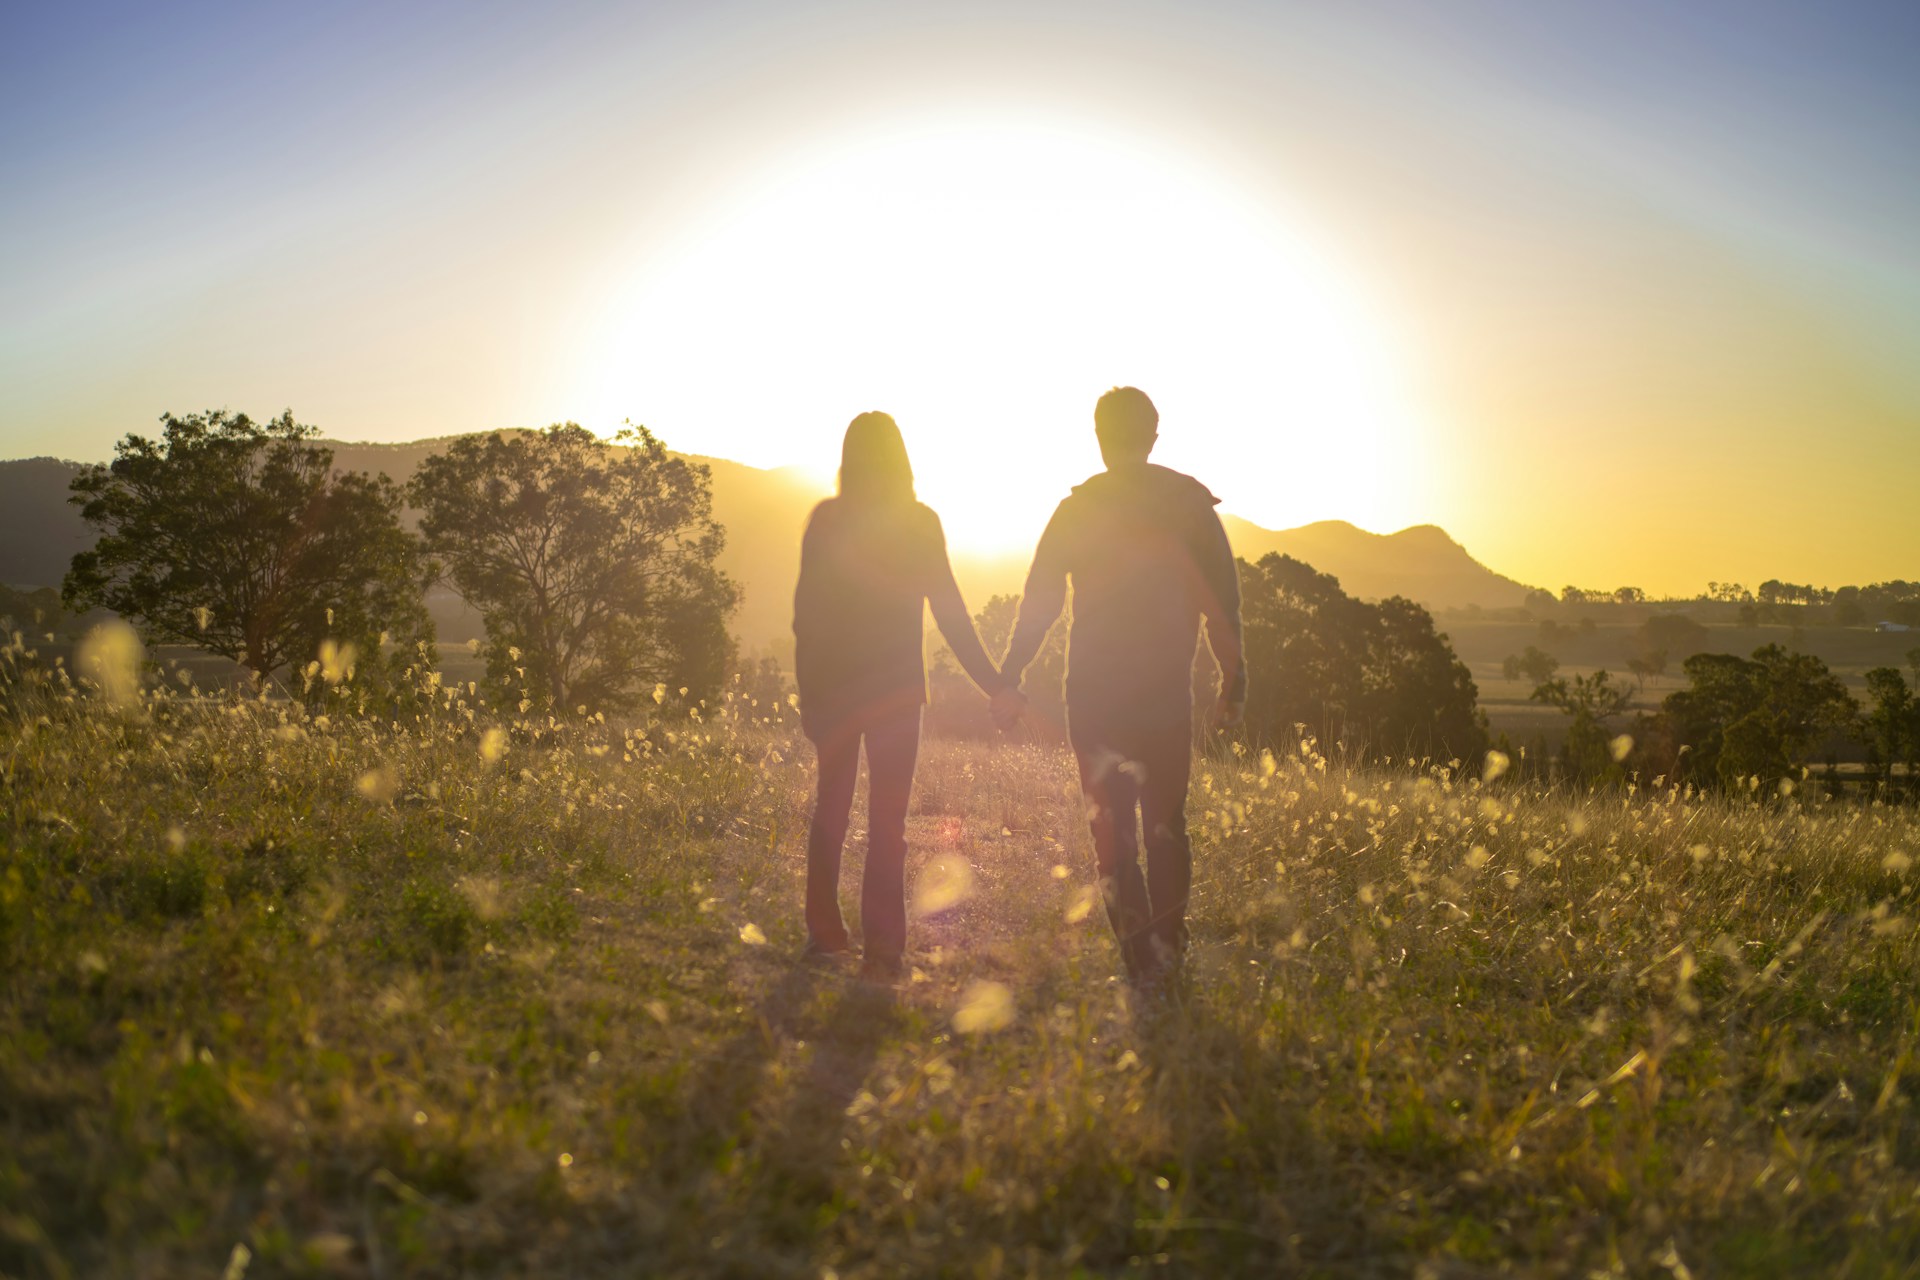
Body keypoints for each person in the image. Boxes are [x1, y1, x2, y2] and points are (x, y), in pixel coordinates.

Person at [994, 387, 1245, 987]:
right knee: (1168, 825)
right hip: (1164, 699)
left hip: (1096, 698)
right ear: (1154, 436)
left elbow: (1040, 602)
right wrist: (1234, 687)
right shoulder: (1191, 508)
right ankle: (1169, 947)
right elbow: (1224, 607)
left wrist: (1011, 675)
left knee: (1112, 829)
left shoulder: (1077, 511)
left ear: (1100, 437)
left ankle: (1137, 955)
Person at [793, 411, 1007, 979]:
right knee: (888, 822)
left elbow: (805, 616)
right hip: (896, 695)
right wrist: (996, 684)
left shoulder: (828, 519)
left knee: (830, 813)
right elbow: (952, 613)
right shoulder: (919, 522)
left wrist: (808, 695)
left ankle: (824, 939)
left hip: (837, 692)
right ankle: (883, 950)